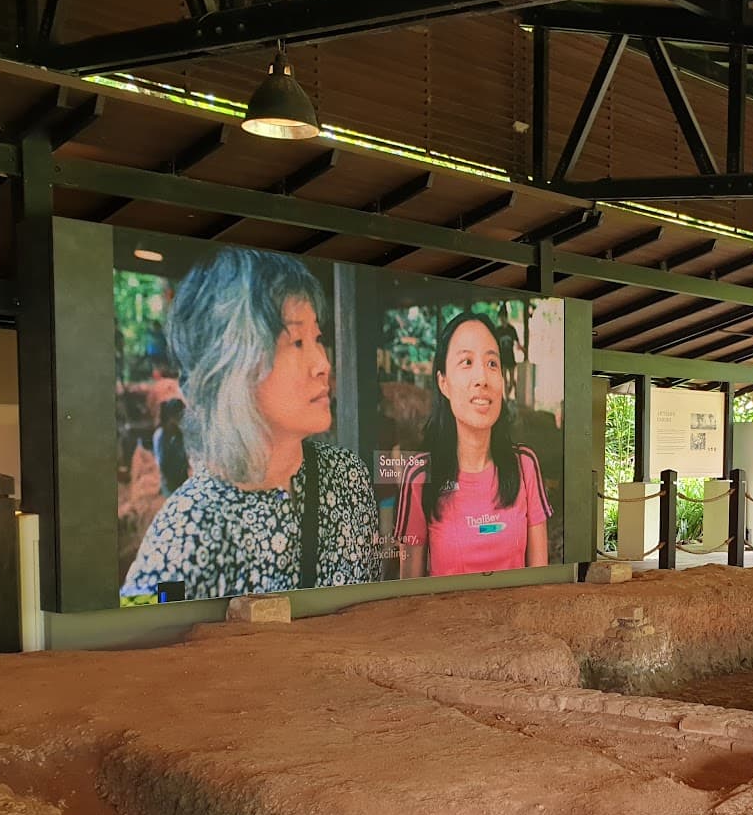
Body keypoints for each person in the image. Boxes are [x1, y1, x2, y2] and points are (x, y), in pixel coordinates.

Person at [122, 246, 380, 601]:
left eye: (318, 339)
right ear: (232, 365)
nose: (323, 363)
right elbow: (137, 631)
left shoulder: (348, 477)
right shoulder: (185, 531)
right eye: (297, 342)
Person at [395, 310, 551, 577]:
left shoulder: (524, 466)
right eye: (466, 362)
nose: (482, 378)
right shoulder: (420, 475)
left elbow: (541, 581)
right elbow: (409, 591)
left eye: (492, 364)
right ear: (443, 382)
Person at [152, 397, 189, 496]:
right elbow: (161, 462)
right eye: (179, 415)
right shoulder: (161, 435)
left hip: (182, 479)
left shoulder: (179, 433)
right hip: (170, 482)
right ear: (171, 416)